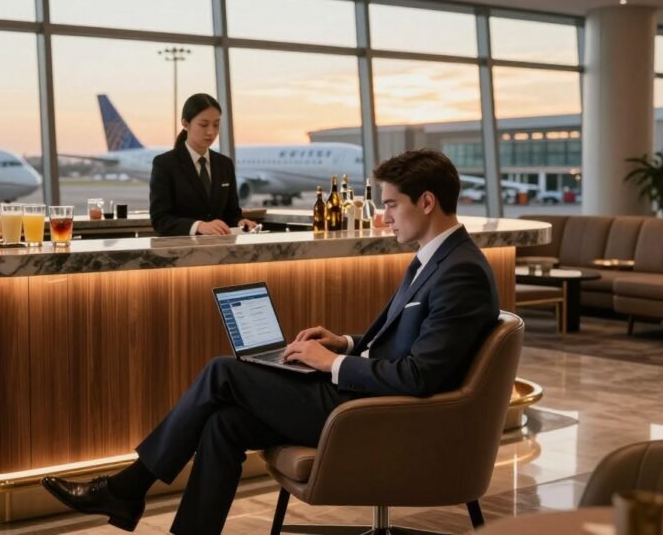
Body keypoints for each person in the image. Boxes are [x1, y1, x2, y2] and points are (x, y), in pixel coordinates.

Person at [43, 149, 500, 534]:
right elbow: (405, 344)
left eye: (392, 205)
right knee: (224, 423)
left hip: (380, 418)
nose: (383, 216)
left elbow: (421, 376)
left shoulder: (459, 271)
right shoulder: (436, 259)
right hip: (367, 400)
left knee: (224, 371)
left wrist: (329, 365)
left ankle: (127, 489)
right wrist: (342, 342)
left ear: (425, 202)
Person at [149, 93, 257, 236]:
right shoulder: (165, 164)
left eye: (216, 125)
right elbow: (160, 220)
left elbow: (232, 213)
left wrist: (240, 222)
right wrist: (198, 226)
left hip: (221, 251)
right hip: (181, 251)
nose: (211, 132)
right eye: (203, 124)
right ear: (185, 123)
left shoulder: (225, 164)